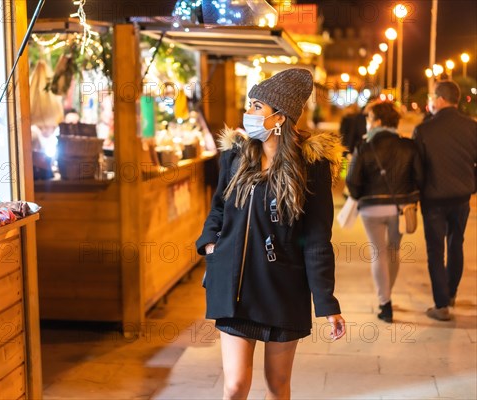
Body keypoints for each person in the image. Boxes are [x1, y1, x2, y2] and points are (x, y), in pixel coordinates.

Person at [196, 68, 346, 400]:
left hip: (283, 288)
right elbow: (219, 206)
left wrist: (326, 302)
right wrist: (210, 244)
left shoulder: (312, 167)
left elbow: (318, 239)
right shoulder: (236, 156)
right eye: (249, 105)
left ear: (279, 117)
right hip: (235, 285)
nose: (247, 114)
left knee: (277, 387)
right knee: (235, 386)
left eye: (256, 107)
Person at [346, 101, 423, 323]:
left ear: (378, 121)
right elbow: (418, 177)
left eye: (369, 118)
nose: (367, 123)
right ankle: (388, 293)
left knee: (378, 253)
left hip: (372, 209)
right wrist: (410, 199)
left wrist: (358, 195)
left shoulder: (365, 146)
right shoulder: (408, 146)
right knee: (393, 252)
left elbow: (352, 180)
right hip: (400, 209)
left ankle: (385, 302)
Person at [412, 80, 477, 321]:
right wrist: (471, 186)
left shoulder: (424, 129)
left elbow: (417, 170)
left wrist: (417, 193)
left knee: (436, 250)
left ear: (439, 99)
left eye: (431, 97)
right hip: (461, 198)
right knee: (456, 243)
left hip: (434, 199)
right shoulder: (472, 127)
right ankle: (451, 294)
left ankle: (441, 305)